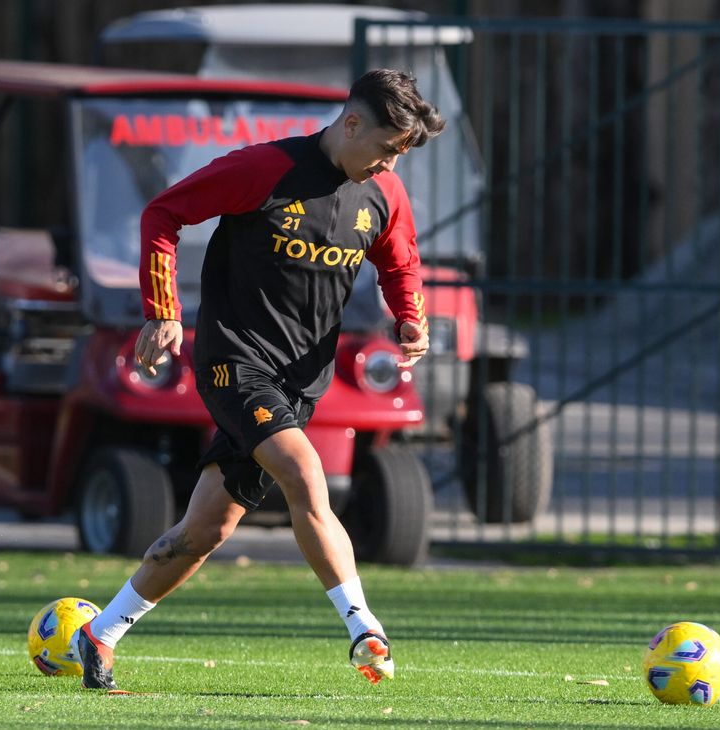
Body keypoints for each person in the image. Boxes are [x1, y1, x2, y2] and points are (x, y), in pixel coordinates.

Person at [70, 69, 445, 691]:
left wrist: (410, 319)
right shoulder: (263, 168)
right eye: (386, 148)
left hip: (303, 380)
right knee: (304, 472)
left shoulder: (385, 194)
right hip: (234, 362)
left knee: (203, 533)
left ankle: (100, 634)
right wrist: (163, 310)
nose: (389, 164)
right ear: (351, 123)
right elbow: (164, 213)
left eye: (400, 155)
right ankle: (363, 628)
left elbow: (400, 260)